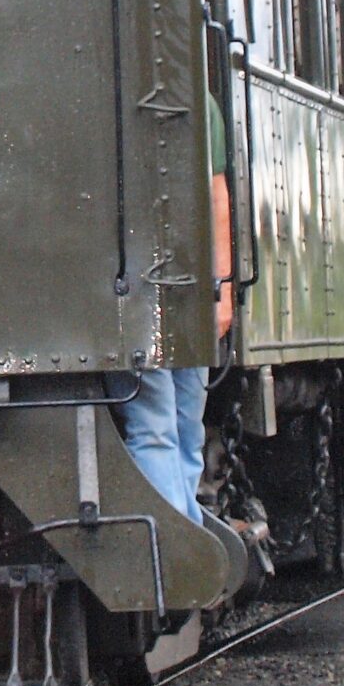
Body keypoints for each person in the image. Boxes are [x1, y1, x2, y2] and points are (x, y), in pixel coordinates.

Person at [116, 96, 234, 521]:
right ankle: (177, 543)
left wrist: (223, 286)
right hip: (138, 290)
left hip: (190, 288)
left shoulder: (202, 100)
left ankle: (185, 534)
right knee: (155, 427)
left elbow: (217, 193)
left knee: (185, 429)